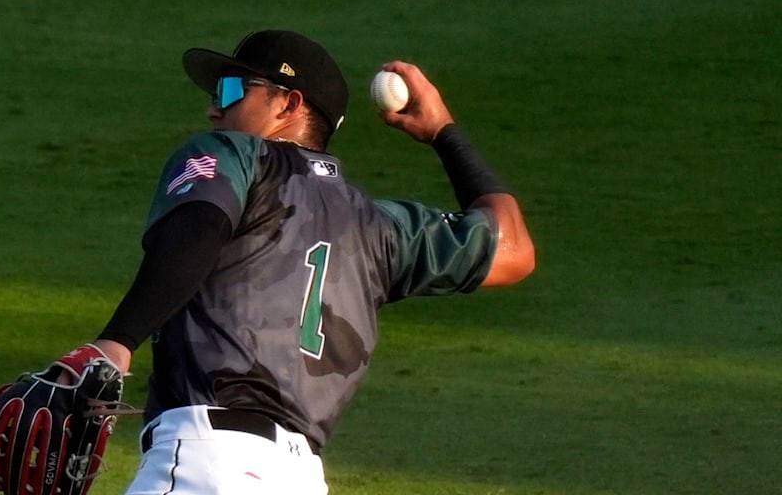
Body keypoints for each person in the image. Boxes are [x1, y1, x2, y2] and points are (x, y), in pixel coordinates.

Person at [77, 30, 534, 494]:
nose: (214, 109)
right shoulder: (381, 228)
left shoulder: (237, 156)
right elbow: (514, 251)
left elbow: (198, 229)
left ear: (288, 104)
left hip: (208, 462)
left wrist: (114, 344)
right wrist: (443, 132)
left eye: (232, 90)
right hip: (299, 478)